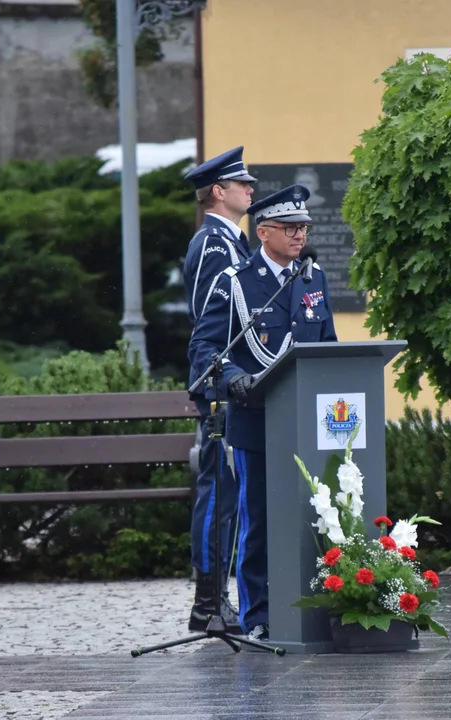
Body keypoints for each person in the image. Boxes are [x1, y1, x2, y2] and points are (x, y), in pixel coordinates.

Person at [188, 184, 337, 641]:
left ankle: (320, 606)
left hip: (309, 424)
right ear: (265, 231)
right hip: (257, 421)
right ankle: (259, 617)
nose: (300, 236)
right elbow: (205, 347)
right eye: (291, 228)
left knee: (319, 517)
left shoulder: (313, 279)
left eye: (304, 228)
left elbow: (327, 345)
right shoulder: (236, 282)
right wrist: (231, 377)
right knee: (260, 522)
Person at [181, 146, 257, 633]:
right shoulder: (215, 244)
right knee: (217, 495)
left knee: (226, 494)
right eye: (242, 184)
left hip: (229, 388)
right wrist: (220, 378)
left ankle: (216, 601)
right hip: (219, 389)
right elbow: (211, 325)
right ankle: (209, 604)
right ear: (218, 191)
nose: (251, 189)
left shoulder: (232, 241)